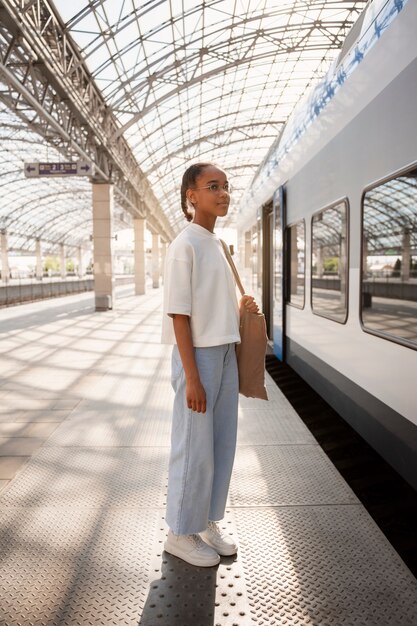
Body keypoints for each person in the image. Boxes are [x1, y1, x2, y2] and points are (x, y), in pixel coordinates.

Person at [161, 162, 259, 567]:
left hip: (224, 350)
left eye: (226, 186)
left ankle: (206, 521)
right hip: (198, 356)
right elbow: (179, 315)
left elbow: (208, 301)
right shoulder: (184, 244)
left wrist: (240, 307)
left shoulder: (216, 244)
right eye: (212, 186)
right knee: (193, 446)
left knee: (221, 444)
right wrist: (192, 379)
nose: (223, 193)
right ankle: (180, 532)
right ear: (192, 195)